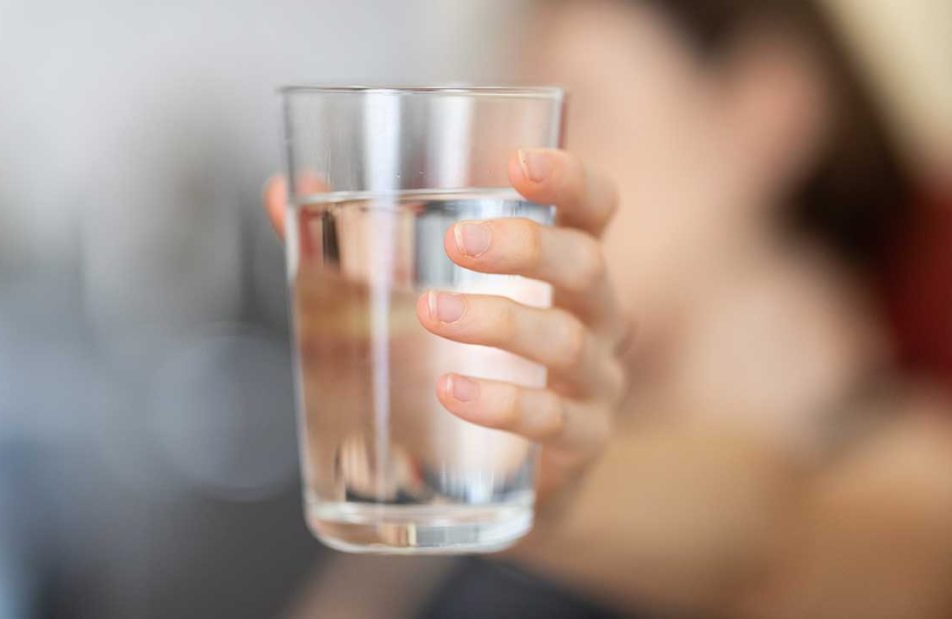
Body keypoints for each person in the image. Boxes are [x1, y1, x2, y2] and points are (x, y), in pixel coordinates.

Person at [265, 0, 952, 617]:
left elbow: (775, 538)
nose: (496, 166)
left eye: (576, 108)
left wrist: (543, 491)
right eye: (496, 120)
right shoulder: (490, 435)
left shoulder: (906, 465)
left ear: (767, 109)